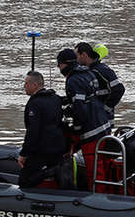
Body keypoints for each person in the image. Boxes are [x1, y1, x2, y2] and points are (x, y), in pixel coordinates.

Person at [57, 48, 113, 191]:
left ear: (64, 64)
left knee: (94, 170)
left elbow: (80, 109)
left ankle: (98, 200)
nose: (59, 68)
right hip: (103, 124)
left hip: (91, 132)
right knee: (105, 164)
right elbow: (88, 98)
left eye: (59, 65)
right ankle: (110, 193)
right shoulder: (88, 73)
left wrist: (75, 131)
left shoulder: (73, 80)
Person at [17, 70, 68, 188]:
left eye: (26, 83)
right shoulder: (55, 98)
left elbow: (33, 131)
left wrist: (24, 153)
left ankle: (49, 172)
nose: (24, 86)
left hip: (42, 149)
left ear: (34, 85)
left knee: (24, 182)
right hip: (58, 147)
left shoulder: (35, 103)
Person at [75, 41, 125, 122]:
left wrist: (105, 110)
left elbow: (119, 90)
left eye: (76, 56)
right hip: (94, 119)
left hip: (104, 119)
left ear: (84, 55)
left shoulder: (102, 70)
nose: (75, 60)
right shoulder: (87, 71)